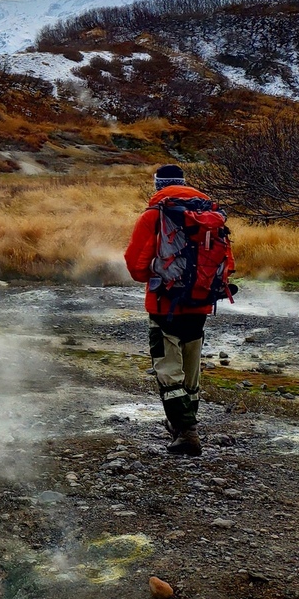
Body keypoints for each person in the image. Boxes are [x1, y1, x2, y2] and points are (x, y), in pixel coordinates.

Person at [124, 164, 236, 456]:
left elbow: (136, 267)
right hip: (201, 303)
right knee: (191, 369)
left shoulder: (154, 215)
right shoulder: (209, 217)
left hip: (164, 305)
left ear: (158, 185)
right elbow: (229, 263)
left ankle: (186, 432)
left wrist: (160, 275)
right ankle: (184, 425)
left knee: (167, 369)